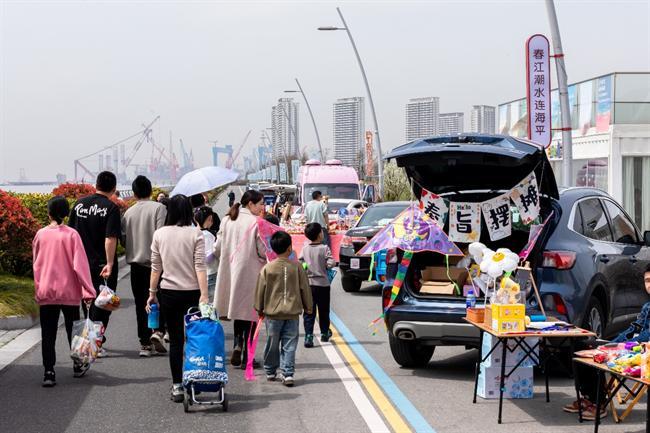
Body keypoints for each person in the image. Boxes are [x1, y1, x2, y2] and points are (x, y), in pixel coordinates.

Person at [564, 264, 650, 420]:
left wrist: (617, 347)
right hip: (633, 347)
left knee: (598, 355)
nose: (649, 285)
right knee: (581, 346)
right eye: (647, 280)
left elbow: (647, 335)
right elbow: (634, 328)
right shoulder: (647, 306)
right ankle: (588, 397)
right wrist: (609, 344)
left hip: (643, 353)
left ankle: (599, 404)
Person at [146, 194, 209, 402]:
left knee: (175, 341)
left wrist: (152, 294)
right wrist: (205, 296)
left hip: (169, 293)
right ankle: (193, 381)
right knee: (194, 339)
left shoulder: (160, 234)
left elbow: (156, 268)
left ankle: (177, 386)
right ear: (189, 212)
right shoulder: (196, 233)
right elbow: (200, 266)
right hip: (193, 294)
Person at [32, 196, 97, 386]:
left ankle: (49, 372)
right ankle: (78, 365)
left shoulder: (40, 235)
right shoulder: (72, 235)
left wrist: (38, 286)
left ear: (48, 213)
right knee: (73, 329)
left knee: (48, 333)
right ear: (66, 214)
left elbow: (36, 264)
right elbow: (80, 266)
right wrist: (88, 290)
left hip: (47, 291)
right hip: (69, 291)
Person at [68, 171, 121, 353]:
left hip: (81, 264)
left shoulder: (79, 204)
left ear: (95, 185)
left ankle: (92, 340)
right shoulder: (111, 208)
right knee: (105, 303)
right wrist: (110, 263)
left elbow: (70, 234)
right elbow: (110, 238)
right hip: (102, 265)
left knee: (88, 303)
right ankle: (93, 343)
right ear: (114, 188)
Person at [214, 189, 266, 368]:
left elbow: (218, 247)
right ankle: (248, 358)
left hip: (230, 271)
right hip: (251, 272)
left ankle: (237, 343)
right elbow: (262, 250)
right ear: (250, 204)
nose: (262, 207)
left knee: (237, 310)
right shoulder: (256, 222)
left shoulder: (227, 220)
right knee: (251, 313)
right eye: (260, 204)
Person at [254, 231, 313, 386]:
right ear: (289, 248)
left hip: (272, 314)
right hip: (292, 313)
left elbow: (260, 289)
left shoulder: (268, 268)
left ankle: (270, 370)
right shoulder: (297, 267)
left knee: (272, 342)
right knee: (290, 344)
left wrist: (259, 308)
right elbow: (304, 288)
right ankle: (287, 373)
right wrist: (308, 307)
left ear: (273, 249)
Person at [121, 175, 168, 357]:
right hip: (157, 264)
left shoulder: (128, 213)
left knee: (141, 303)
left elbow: (124, 240)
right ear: (150, 190)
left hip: (136, 265)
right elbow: (161, 235)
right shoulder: (159, 208)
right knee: (160, 300)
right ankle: (157, 331)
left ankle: (144, 344)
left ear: (133, 193)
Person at [299, 223, 335, 348]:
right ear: (320, 234)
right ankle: (324, 333)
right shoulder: (324, 248)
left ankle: (309, 336)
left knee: (309, 311)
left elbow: (300, 262)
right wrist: (325, 265)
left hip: (309, 285)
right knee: (324, 310)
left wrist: (307, 267)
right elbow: (331, 262)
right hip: (323, 285)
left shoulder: (305, 248)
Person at [194, 206, 218, 298]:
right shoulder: (207, 235)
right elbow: (209, 258)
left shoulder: (193, 232)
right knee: (210, 301)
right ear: (209, 219)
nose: (211, 222)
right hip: (210, 272)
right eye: (210, 219)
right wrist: (217, 251)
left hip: (197, 274)